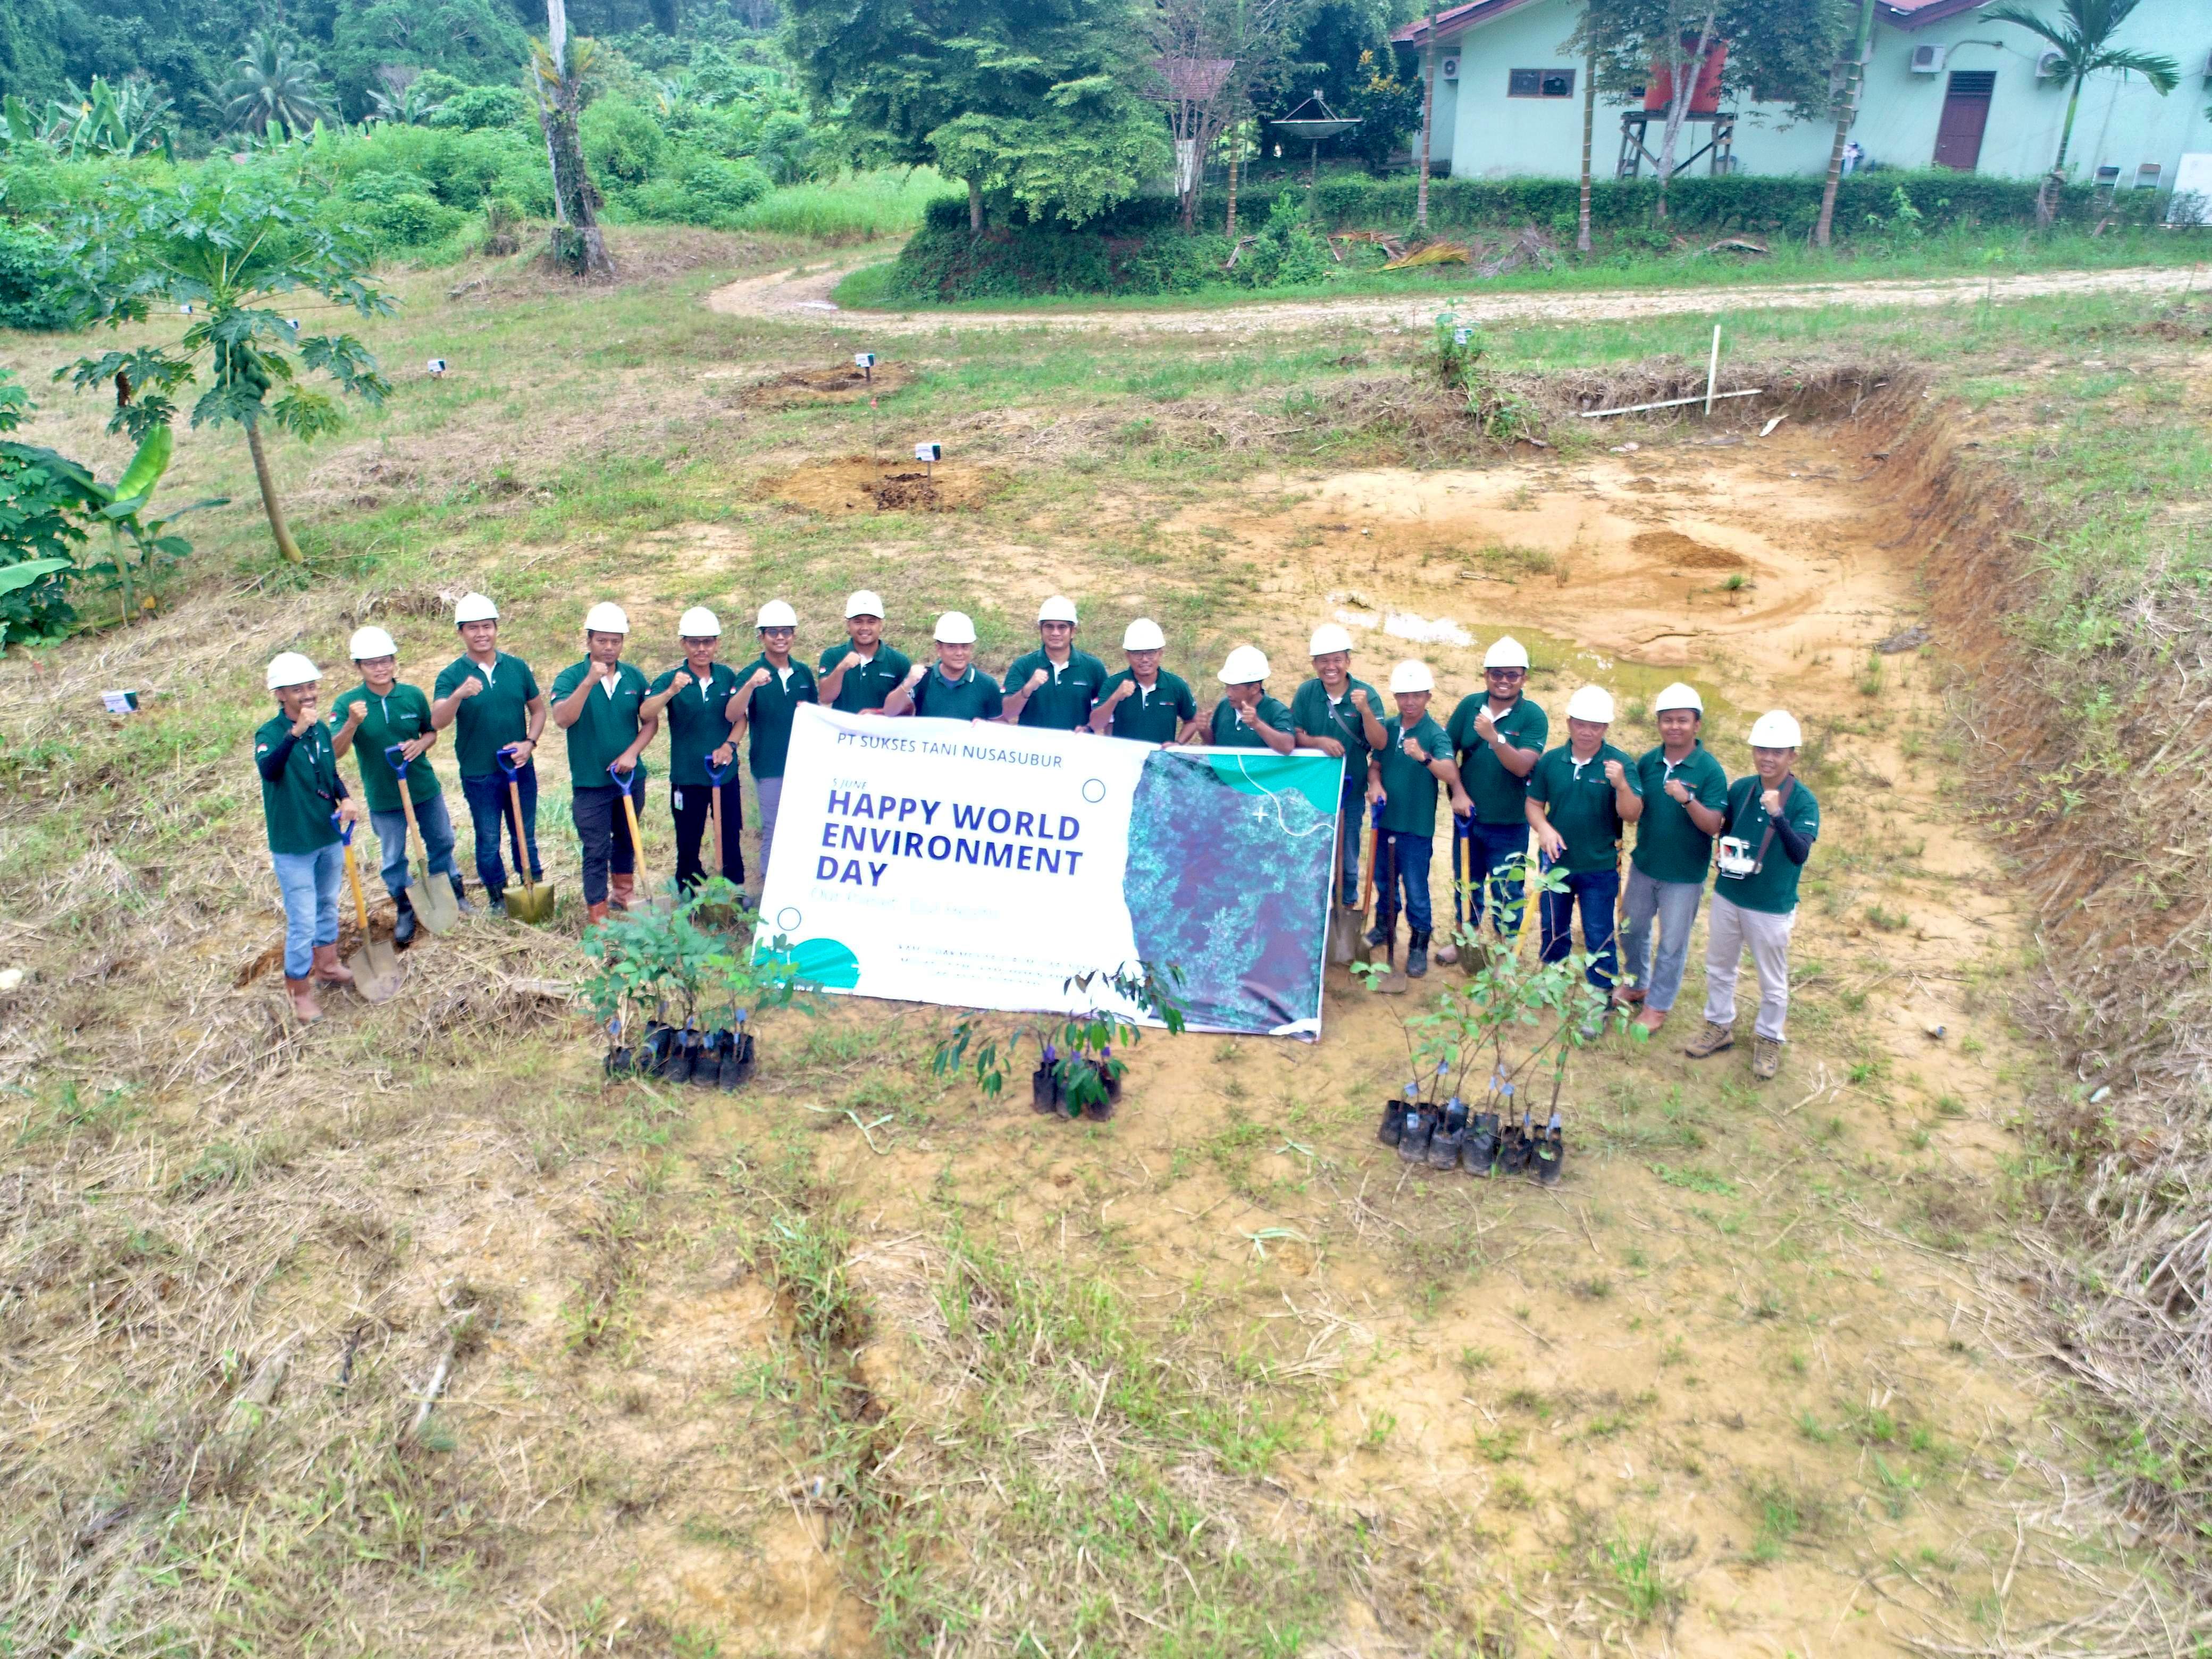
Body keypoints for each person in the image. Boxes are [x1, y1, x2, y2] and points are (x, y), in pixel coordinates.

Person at [1686, 709, 1820, 1080]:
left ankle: (1769, 1038)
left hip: (1771, 904)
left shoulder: (1803, 802)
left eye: (1777, 751)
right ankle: (1718, 1025)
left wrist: (1778, 816)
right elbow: (1726, 829)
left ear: (1792, 755)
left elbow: (1800, 853)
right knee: (1719, 965)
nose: (1768, 757)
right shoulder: (1742, 789)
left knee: (1772, 979)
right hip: (1730, 893)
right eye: (1762, 748)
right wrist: (1723, 852)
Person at [331, 625, 468, 947]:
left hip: (423, 787)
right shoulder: (348, 703)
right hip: (383, 795)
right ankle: (406, 906)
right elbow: (336, 752)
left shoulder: (412, 695)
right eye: (371, 663)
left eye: (386, 661)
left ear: (394, 661)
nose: (381, 668)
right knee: (393, 857)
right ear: (358, 667)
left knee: (442, 840)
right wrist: (352, 723)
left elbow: (431, 731)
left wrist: (422, 745)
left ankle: (451, 893)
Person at [255, 651, 358, 1022]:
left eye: (312, 686)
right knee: (302, 920)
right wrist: (294, 733)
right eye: (299, 689)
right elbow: (269, 771)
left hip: (327, 833)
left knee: (328, 904)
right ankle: (299, 991)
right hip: (293, 842)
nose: (308, 694)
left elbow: (329, 772)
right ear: (281, 694)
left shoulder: (321, 729)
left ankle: (328, 966)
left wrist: (344, 797)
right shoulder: (269, 734)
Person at [1620, 682, 1728, 1034]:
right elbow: (1634, 807)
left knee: (1672, 944)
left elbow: (1713, 825)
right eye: (1667, 720)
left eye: (1683, 720)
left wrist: (1687, 799)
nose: (1675, 727)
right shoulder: (1648, 762)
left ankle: (1658, 1005)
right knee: (1632, 929)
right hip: (1645, 864)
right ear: (1659, 724)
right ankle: (1637, 984)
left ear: (1697, 725)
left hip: (1684, 875)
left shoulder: (1709, 770)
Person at [431, 592, 547, 916]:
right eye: (472, 628)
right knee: (488, 838)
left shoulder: (517, 667)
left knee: (525, 833)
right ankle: (498, 897)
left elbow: (538, 711)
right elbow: (437, 721)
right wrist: (459, 695)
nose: (481, 634)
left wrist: (530, 743)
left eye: (487, 626)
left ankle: (532, 887)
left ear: (496, 629)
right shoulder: (452, 675)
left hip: (520, 768)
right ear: (461, 633)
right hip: (480, 772)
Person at [1525, 684, 1643, 995]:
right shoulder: (1551, 761)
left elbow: (1632, 814)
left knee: (1599, 933)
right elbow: (1534, 805)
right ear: (1569, 723)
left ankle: (1599, 995)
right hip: (1556, 863)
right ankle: (1552, 979)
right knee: (1553, 927)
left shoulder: (1620, 764)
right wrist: (1545, 829)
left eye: (1595, 726)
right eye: (1581, 724)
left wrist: (1621, 785)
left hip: (1599, 867)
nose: (1587, 732)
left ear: (1606, 728)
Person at [1364, 660, 1473, 978]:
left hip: (1416, 829)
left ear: (1428, 697)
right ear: (1395, 697)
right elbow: (1376, 764)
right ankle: (1385, 928)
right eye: (1403, 696)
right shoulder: (1390, 727)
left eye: (1416, 696)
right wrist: (1375, 783)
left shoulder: (1435, 734)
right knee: (1384, 883)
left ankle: (1418, 945)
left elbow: (1451, 773)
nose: (1409, 702)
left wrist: (1424, 758)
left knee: (1416, 889)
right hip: (1385, 822)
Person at [550, 602, 657, 924]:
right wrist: (589, 682)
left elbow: (650, 722)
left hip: (629, 778)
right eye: (602, 641)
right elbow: (562, 719)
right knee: (596, 849)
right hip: (591, 783)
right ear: (589, 641)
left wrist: (632, 753)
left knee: (627, 838)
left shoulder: (634, 677)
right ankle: (597, 911)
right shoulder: (570, 677)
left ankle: (623, 894)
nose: (609, 648)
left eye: (616, 641)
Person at [1446, 636, 1547, 946]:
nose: (1504, 681)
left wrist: (1494, 738)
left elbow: (1522, 766)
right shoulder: (1468, 706)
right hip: (1469, 818)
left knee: (1508, 889)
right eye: (1497, 674)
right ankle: (1467, 940)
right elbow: (1447, 753)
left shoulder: (1533, 716)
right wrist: (1458, 792)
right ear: (1486, 675)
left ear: (1524, 678)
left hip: (1510, 823)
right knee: (1466, 882)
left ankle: (1505, 951)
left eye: (1512, 675)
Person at [643, 607, 744, 893]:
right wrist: (670, 692)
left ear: (717, 644)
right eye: (694, 642)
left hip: (724, 774)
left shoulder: (726, 677)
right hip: (687, 777)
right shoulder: (670, 679)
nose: (702, 649)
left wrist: (729, 746)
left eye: (708, 642)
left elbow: (740, 719)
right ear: (683, 644)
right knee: (688, 837)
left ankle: (733, 890)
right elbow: (647, 712)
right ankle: (688, 890)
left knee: (729, 833)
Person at [1291, 624, 1385, 908]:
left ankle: (1345, 905)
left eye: (1337, 660)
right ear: (1315, 664)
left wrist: (1366, 710)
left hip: (1351, 791)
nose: (1330, 667)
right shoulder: (1307, 693)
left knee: (1348, 854)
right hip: (1313, 789)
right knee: (1312, 851)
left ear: (1348, 661)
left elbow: (1379, 742)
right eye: (1323, 661)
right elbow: (1292, 735)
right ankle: (1311, 907)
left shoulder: (1366, 694)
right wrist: (1318, 742)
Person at [727, 600, 818, 887]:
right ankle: (771, 890)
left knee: (803, 829)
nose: (780, 637)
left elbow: (816, 714)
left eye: (786, 631)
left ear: (794, 635)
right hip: (770, 765)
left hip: (804, 764)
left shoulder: (803, 672)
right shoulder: (751, 674)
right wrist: (751, 685)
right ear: (761, 636)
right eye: (773, 632)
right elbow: (732, 713)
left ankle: (798, 886)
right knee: (774, 828)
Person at [1002, 595, 1107, 730]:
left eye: (1062, 627)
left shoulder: (1093, 668)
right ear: (1041, 629)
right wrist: (1028, 689)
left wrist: (1088, 728)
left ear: (1073, 631)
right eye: (1049, 627)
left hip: (1077, 748)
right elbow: (1007, 713)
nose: (1055, 633)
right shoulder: (1023, 666)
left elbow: (1108, 716)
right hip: (1035, 749)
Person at [1091, 619, 1200, 743]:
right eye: (1138, 654)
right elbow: (1095, 724)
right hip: (1124, 759)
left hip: (1159, 761)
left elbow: (1192, 721)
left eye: (1151, 653)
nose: (1145, 659)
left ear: (1160, 654)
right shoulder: (1113, 684)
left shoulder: (1176, 685)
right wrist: (1115, 698)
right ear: (1128, 656)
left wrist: (1177, 744)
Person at [884, 611, 1005, 720]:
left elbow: (1001, 724)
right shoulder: (923, 679)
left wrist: (987, 727)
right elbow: (890, 711)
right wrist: (907, 685)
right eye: (952, 647)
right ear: (939, 648)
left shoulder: (987, 685)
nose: (959, 653)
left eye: (965, 646)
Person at [818, 590, 911, 714]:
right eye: (858, 622)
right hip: (844, 732)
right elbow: (825, 698)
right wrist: (841, 669)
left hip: (882, 732)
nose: (865, 628)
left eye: (871, 622)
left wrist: (878, 713)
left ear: (881, 625)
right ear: (848, 625)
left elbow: (908, 708)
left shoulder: (899, 662)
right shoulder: (832, 656)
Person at [1208, 646, 1296, 752]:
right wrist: (1204, 730)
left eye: (1235, 689)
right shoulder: (1224, 706)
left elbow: (1287, 747)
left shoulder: (1277, 711)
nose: (1228, 693)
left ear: (1255, 689)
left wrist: (1257, 724)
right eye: (1227, 686)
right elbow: (1214, 745)